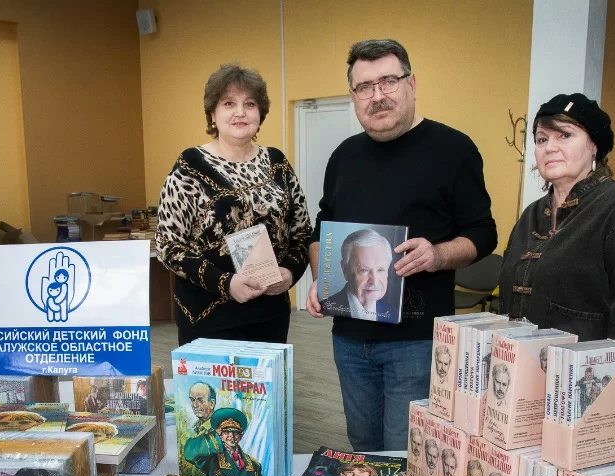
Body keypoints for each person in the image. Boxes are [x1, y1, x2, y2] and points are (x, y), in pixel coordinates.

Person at [306, 39, 497, 451]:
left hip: (417, 339)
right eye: (364, 87)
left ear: (411, 83)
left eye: (388, 81)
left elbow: (484, 233)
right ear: (353, 96)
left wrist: (438, 254)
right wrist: (322, 278)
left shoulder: (454, 149)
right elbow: (322, 227)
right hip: (350, 338)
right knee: (362, 446)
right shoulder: (343, 156)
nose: (377, 95)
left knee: (404, 450)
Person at [498, 93, 615, 367]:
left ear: (594, 146)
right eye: (542, 139)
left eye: (564, 135)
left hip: (584, 379)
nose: (549, 147)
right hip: (523, 373)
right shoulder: (531, 215)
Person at [156, 64, 312, 346]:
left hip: (270, 314)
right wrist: (225, 283)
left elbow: (301, 233)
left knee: (269, 378)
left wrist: (290, 272)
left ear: (260, 114)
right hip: (208, 318)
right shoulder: (190, 166)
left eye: (249, 104)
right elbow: (168, 247)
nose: (240, 112)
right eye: (229, 103)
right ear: (212, 114)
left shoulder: (277, 162)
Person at [320, 229, 398, 322]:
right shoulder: (327, 307)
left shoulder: (393, 313)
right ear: (345, 270)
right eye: (364, 270)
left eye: (380, 270)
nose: (374, 281)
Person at [184, 407, 262, 476]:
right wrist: (214, 436)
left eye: (235, 433)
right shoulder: (212, 459)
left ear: (240, 437)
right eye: (226, 432)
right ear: (220, 435)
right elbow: (189, 453)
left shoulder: (254, 465)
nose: (231, 436)